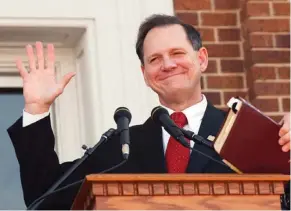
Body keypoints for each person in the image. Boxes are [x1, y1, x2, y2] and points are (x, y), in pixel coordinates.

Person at [7, 14, 290, 209]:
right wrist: (37, 109)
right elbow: (44, 197)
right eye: (155, 59)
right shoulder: (121, 149)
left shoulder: (251, 137)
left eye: (177, 53)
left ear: (201, 59)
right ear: (145, 73)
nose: (167, 65)